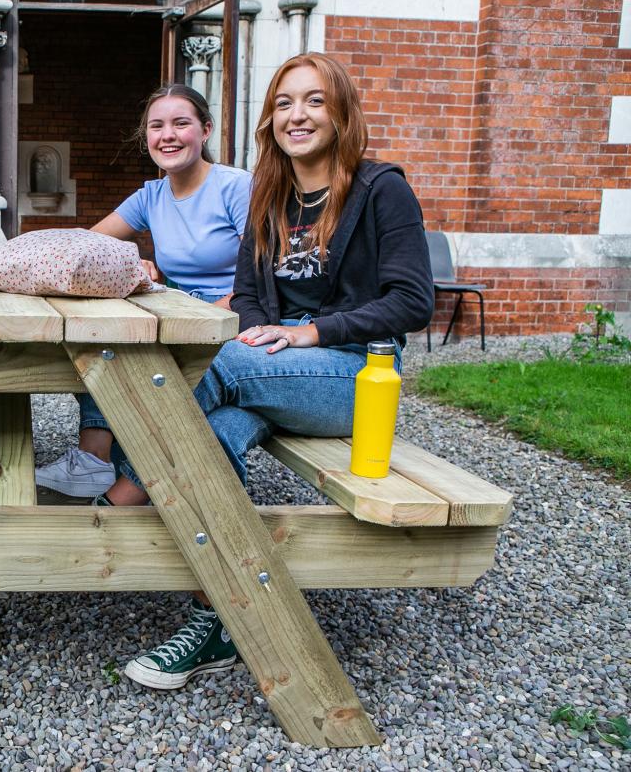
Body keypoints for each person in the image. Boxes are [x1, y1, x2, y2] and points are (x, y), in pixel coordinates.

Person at [116, 52, 434, 690]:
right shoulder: (271, 197)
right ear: (270, 121)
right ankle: (225, 617)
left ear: (340, 113)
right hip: (273, 369)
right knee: (211, 437)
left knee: (204, 362)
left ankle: (124, 497)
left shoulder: (381, 189)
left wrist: (310, 331)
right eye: (286, 103)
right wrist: (270, 331)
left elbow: (412, 302)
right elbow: (250, 296)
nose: (299, 115)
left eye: (315, 101)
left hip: (352, 377)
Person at [33, 84, 250, 497]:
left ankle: (124, 481)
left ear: (205, 131)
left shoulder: (235, 187)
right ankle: (94, 459)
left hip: (230, 315)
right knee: (104, 334)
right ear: (146, 137)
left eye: (180, 123)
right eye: (157, 126)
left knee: (136, 357)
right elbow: (86, 244)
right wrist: (129, 263)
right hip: (179, 308)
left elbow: (260, 279)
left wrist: (207, 317)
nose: (167, 135)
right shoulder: (152, 195)